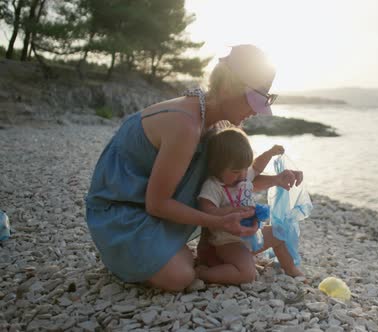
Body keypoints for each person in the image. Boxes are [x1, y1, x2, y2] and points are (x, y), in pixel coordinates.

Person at [85, 45, 303, 291]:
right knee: (178, 277)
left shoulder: (216, 122)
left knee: (190, 265)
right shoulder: (186, 125)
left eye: (266, 100)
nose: (257, 110)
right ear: (226, 88)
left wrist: (277, 179)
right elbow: (156, 204)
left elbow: (234, 178)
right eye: (256, 99)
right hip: (121, 211)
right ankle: (123, 254)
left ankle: (160, 253)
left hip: (147, 208)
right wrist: (218, 222)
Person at [196, 127, 303, 285]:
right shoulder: (213, 186)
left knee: (279, 233)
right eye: (235, 171)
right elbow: (206, 211)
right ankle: (203, 273)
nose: (243, 175)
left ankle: (291, 269)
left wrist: (270, 153)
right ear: (216, 167)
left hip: (253, 235)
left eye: (245, 169)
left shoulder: (244, 177)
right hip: (229, 242)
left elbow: (257, 167)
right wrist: (230, 211)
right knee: (247, 274)